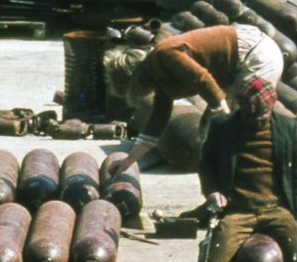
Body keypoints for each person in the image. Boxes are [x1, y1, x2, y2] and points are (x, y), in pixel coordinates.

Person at [106, 24, 283, 177]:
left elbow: (202, 79)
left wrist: (224, 114)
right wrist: (129, 160)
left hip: (257, 55)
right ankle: (216, 196)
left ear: (136, 80)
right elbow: (157, 123)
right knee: (209, 135)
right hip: (239, 64)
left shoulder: (165, 53)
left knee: (243, 129)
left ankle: (256, 183)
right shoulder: (160, 79)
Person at [199, 76, 297, 262]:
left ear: (272, 107)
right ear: (240, 108)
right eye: (250, 117)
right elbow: (206, 167)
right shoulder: (222, 126)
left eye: (262, 117)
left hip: (276, 209)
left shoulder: (287, 128)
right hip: (238, 211)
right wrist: (213, 192)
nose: (257, 122)